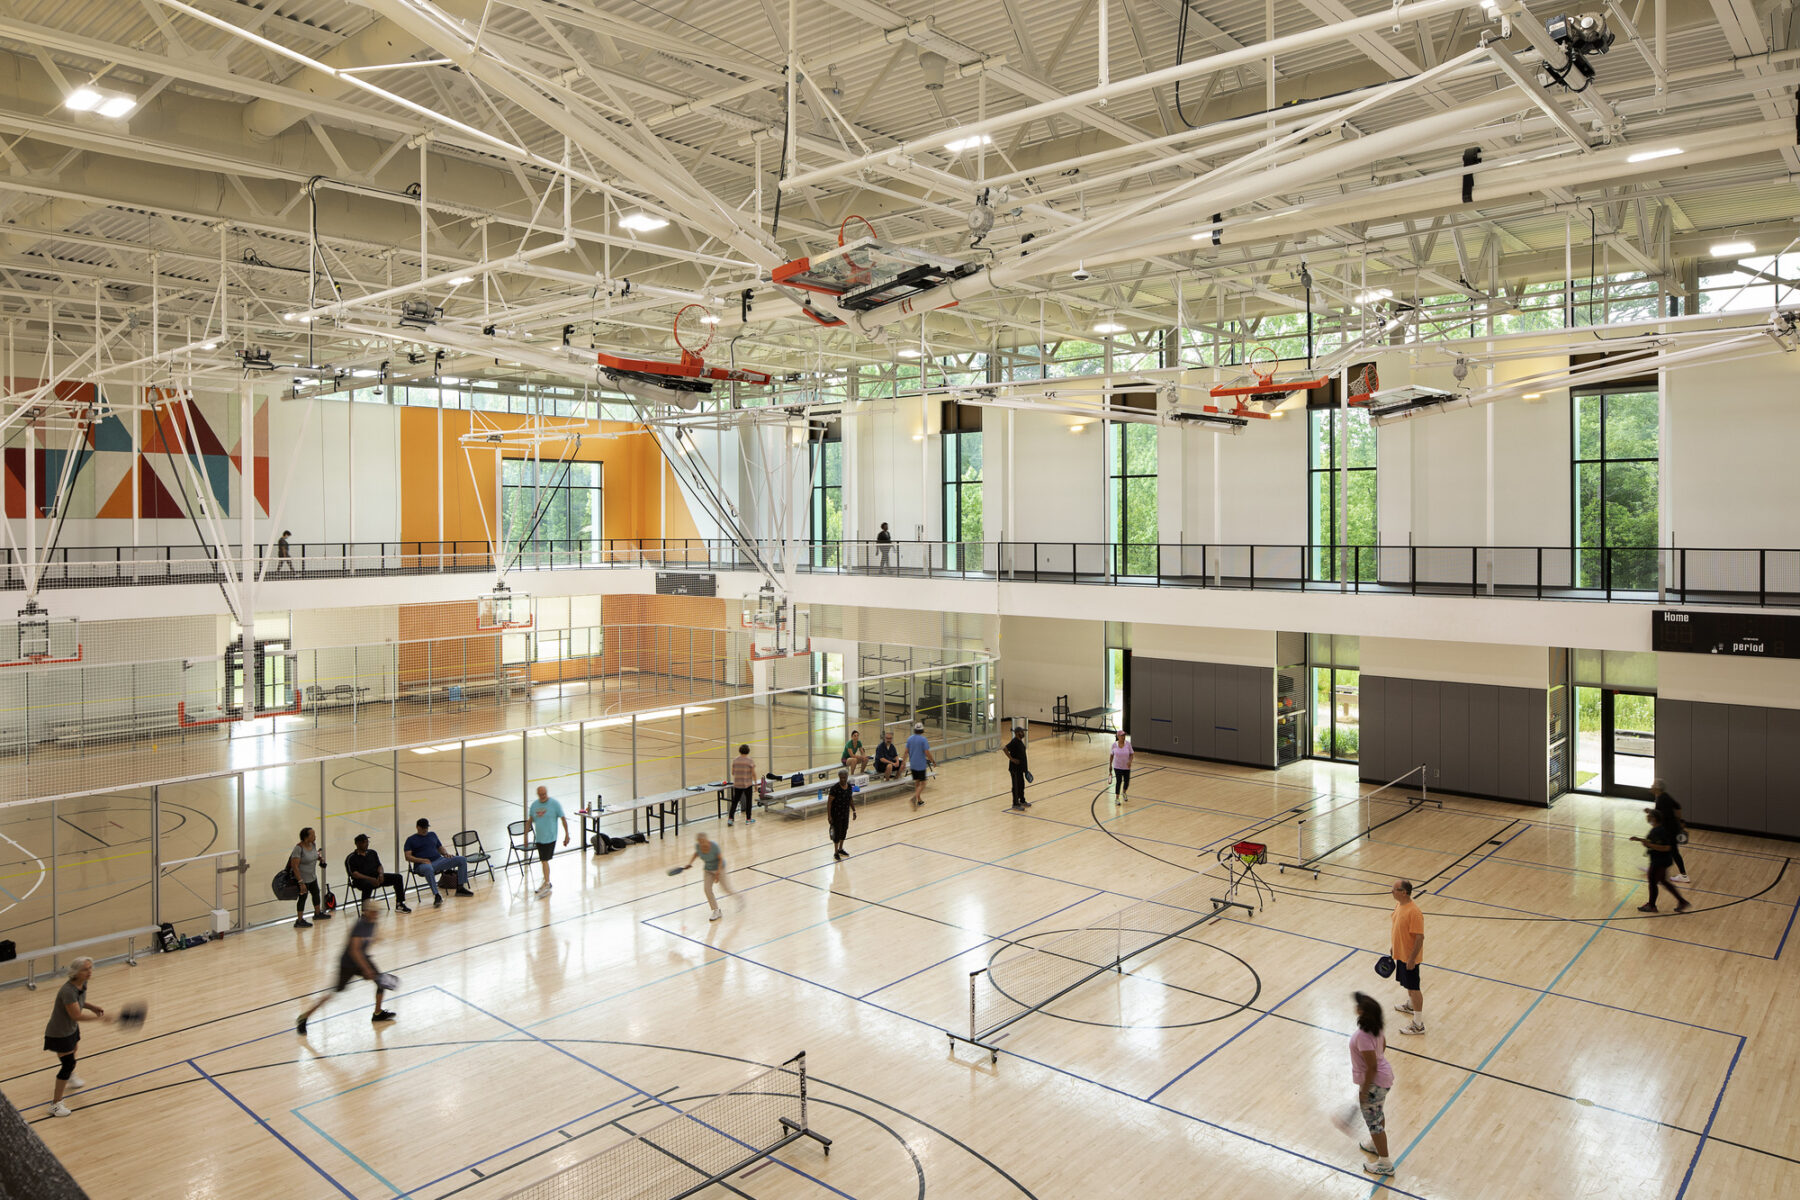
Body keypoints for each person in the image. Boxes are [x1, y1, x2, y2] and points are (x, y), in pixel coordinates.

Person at [296, 901, 394, 1033]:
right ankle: (304, 1017)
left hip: (362, 959)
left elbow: (367, 943)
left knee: (381, 982)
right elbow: (355, 951)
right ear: (367, 912)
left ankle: (377, 1014)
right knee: (332, 993)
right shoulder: (360, 926)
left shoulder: (373, 923)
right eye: (374, 912)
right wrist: (367, 969)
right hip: (348, 964)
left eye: (377, 912)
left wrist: (378, 940)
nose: (377, 914)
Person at [43, 957, 108, 1118]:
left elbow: (80, 1001)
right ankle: (55, 1104)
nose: (89, 972)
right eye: (85, 969)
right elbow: (76, 1015)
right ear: (75, 972)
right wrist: (100, 1019)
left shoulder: (81, 984)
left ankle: (70, 1075)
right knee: (68, 1064)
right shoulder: (68, 990)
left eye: (90, 968)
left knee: (75, 1048)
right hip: (59, 1032)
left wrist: (92, 1007)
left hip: (70, 1029)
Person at [1350, 992, 1398, 1177]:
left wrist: (1364, 1089)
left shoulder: (1363, 1036)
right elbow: (1382, 1047)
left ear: (1362, 1011)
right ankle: (1375, 1145)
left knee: (1374, 1123)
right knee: (1378, 1114)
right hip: (1383, 1079)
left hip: (1375, 1083)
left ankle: (1385, 1163)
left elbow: (1371, 1067)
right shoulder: (1377, 1027)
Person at [1632, 807, 1692, 914]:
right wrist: (1640, 840)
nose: (1647, 817)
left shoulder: (1660, 831)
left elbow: (1667, 847)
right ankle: (1681, 901)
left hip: (1660, 860)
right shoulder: (1656, 830)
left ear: (1654, 818)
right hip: (1658, 859)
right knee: (1662, 881)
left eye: (1649, 816)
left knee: (1652, 881)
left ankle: (1652, 905)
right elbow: (1651, 842)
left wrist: (1649, 845)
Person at [403, 817, 474, 907]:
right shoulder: (411, 840)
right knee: (428, 869)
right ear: (418, 827)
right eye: (423, 828)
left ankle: (460, 887)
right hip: (422, 865)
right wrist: (422, 860)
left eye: (426, 828)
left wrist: (446, 854)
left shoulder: (432, 835)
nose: (425, 830)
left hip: (438, 860)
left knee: (462, 859)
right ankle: (436, 895)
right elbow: (407, 856)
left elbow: (440, 847)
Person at [1389, 880, 1426, 1035]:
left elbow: (1419, 938)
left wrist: (1412, 959)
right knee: (1409, 986)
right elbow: (1397, 927)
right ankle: (1411, 1006)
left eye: (1394, 889)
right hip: (1401, 954)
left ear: (1404, 892)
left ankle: (1418, 1025)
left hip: (1409, 957)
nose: (1391, 892)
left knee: (1414, 988)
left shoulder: (1414, 912)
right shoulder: (1399, 905)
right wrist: (1394, 947)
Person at [344, 833, 410, 914]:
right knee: (367, 885)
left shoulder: (372, 853)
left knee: (398, 877)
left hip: (376, 877)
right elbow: (355, 874)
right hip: (361, 880)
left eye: (368, 842)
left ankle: (400, 904)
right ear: (358, 844)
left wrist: (381, 874)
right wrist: (370, 879)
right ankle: (365, 911)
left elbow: (379, 865)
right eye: (365, 842)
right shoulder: (351, 858)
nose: (367, 844)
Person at [529, 785, 570, 897]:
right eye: (540, 795)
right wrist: (525, 837)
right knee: (543, 860)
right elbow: (530, 820)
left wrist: (567, 835)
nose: (543, 796)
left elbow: (563, 819)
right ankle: (546, 881)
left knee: (544, 860)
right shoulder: (534, 805)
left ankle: (547, 883)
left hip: (550, 838)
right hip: (540, 838)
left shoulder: (555, 804)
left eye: (544, 794)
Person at [684, 832, 735, 921]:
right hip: (708, 869)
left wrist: (717, 874)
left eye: (703, 841)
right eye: (700, 842)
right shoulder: (698, 846)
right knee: (707, 889)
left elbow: (720, 859)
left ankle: (739, 897)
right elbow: (696, 853)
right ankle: (716, 910)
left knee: (725, 888)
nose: (702, 844)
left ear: (707, 840)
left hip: (720, 868)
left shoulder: (714, 846)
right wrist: (690, 863)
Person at [1647, 779, 1689, 883]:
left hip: (1669, 830)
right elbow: (1678, 807)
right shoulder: (1665, 796)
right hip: (1672, 828)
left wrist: (1651, 813)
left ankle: (1684, 876)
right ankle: (1655, 868)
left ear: (1657, 788)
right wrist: (1679, 821)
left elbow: (1662, 816)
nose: (1651, 787)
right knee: (1663, 849)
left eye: (1653, 785)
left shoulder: (1661, 799)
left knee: (1673, 851)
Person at [289, 827, 329, 928]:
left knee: (316, 894)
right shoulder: (298, 848)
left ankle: (317, 913)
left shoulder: (313, 845)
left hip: (312, 877)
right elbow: (294, 866)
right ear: (306, 837)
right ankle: (299, 920)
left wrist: (320, 858)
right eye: (313, 835)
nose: (315, 836)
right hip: (302, 879)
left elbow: (314, 855)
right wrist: (301, 882)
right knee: (303, 898)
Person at [826, 768, 857, 860]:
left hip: (845, 813)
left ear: (847, 777)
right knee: (837, 832)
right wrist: (829, 816)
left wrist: (854, 810)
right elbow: (829, 803)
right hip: (836, 814)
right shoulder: (834, 788)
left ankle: (840, 849)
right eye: (841, 778)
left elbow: (850, 799)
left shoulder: (849, 788)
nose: (843, 779)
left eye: (844, 777)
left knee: (844, 830)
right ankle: (835, 852)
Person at [905, 722, 935, 807]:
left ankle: (919, 800)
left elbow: (906, 752)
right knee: (923, 783)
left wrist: (903, 762)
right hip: (920, 765)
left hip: (913, 764)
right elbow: (927, 752)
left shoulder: (910, 739)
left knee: (917, 782)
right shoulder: (923, 740)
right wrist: (932, 761)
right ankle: (914, 798)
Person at [728, 744, 757, 826]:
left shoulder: (735, 760)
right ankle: (748, 819)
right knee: (748, 801)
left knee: (735, 801)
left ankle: (730, 818)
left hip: (737, 784)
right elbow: (753, 773)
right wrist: (755, 784)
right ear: (748, 751)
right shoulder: (750, 761)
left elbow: (733, 773)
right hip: (747, 784)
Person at [1003, 724, 1031, 810]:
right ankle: (1015, 803)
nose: (1023, 733)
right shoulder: (1014, 741)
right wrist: (1012, 759)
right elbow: (1004, 748)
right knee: (1016, 786)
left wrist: (1025, 769)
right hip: (1014, 769)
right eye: (1021, 732)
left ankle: (1022, 800)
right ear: (1016, 733)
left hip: (1020, 769)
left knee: (1021, 785)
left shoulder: (1020, 741)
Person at [1110, 730, 1135, 801]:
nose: (1123, 737)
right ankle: (1117, 798)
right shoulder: (1114, 745)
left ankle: (1124, 792)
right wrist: (1110, 765)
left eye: (1124, 735)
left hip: (1126, 767)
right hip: (1117, 766)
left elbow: (1131, 754)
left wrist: (1130, 762)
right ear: (1118, 736)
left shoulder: (1128, 744)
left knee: (1126, 781)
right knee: (1119, 781)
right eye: (1122, 735)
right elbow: (1111, 755)